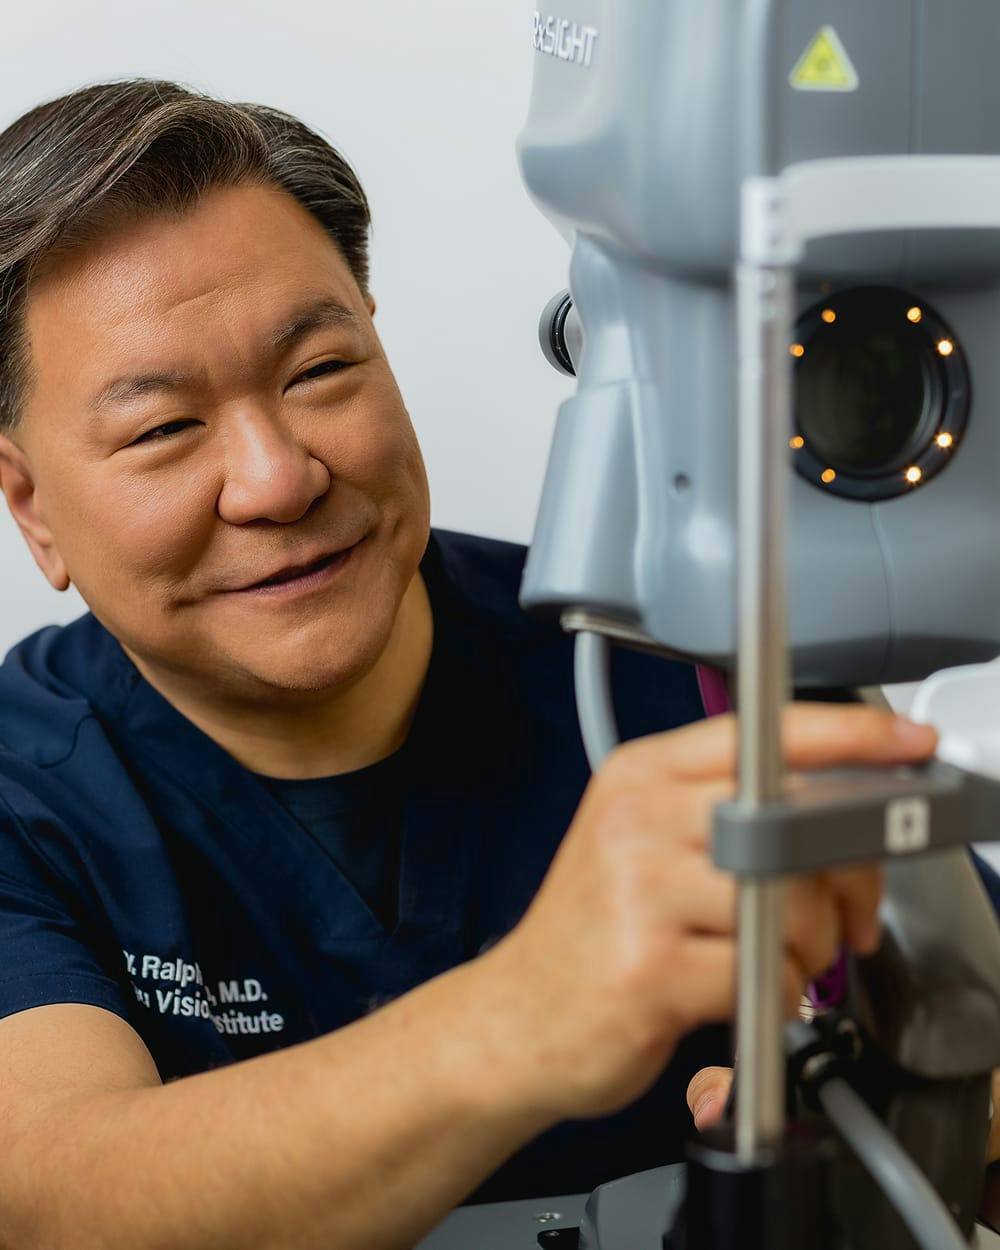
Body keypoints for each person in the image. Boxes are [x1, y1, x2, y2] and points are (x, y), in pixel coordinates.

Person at [0, 78, 957, 1250]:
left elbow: (969, 1038)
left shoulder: (694, 667)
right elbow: (50, 1193)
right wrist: (524, 1015)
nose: (277, 478)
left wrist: (880, 1123)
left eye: (318, 370)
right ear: (31, 505)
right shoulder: (26, 786)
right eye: (162, 428)